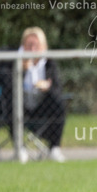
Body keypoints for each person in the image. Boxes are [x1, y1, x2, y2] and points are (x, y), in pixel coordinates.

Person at [19, 27, 67, 162]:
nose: (33, 49)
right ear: (23, 47)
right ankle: (20, 149)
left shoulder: (49, 64)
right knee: (9, 103)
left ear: (43, 47)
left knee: (59, 103)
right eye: (29, 45)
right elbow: (7, 90)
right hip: (21, 109)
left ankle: (54, 148)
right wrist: (22, 72)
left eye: (36, 45)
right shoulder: (16, 64)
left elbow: (57, 90)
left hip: (42, 109)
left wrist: (47, 87)